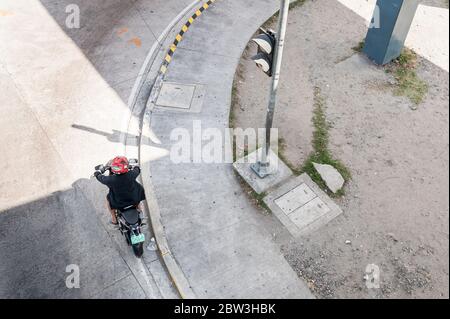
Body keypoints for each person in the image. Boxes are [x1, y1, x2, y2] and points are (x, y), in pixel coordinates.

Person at [94, 156, 146, 225]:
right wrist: (133, 165)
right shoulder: (132, 174)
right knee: (138, 199)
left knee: (108, 199)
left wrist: (98, 172)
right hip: (134, 199)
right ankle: (141, 212)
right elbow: (137, 169)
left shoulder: (110, 180)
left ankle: (114, 219)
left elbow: (100, 177)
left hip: (118, 203)